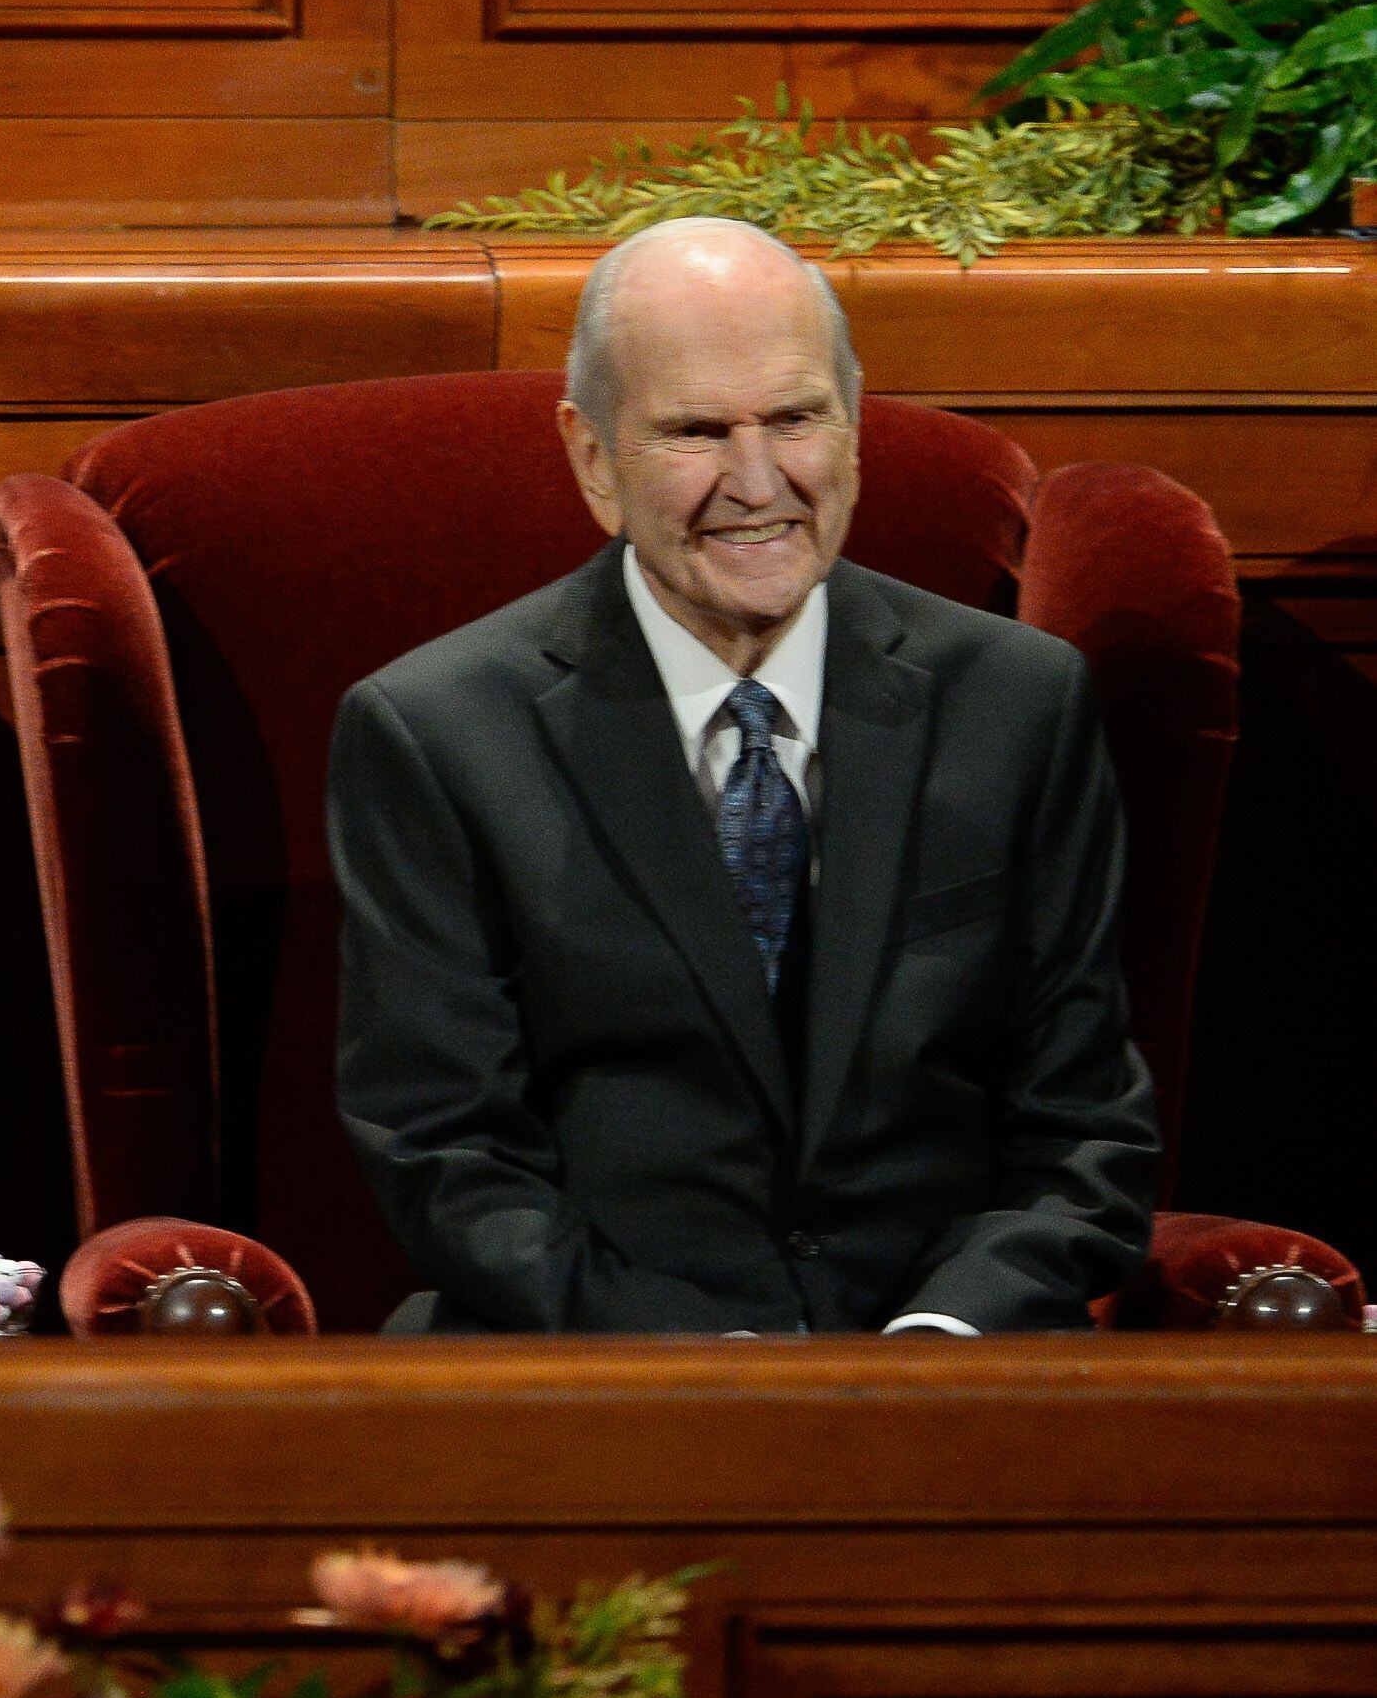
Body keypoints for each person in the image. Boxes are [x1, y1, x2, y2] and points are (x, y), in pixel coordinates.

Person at [328, 216, 1155, 1335]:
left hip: (948, 1373)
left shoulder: (1015, 702)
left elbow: (1084, 1127)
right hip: (595, 1373)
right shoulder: (435, 732)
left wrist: (935, 1345)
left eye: (795, 418)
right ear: (589, 455)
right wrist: (709, 1372)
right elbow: (445, 1154)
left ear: (851, 429)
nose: (757, 481)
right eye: (695, 431)